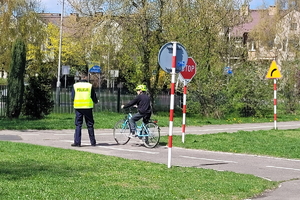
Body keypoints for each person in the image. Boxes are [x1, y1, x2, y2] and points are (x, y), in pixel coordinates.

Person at [71, 72, 98, 147]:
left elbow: (72, 97)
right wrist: (96, 101)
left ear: (81, 77)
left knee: (78, 124)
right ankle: (93, 142)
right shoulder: (89, 86)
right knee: (90, 124)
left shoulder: (75, 86)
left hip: (78, 107)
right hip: (88, 107)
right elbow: (93, 96)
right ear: (86, 77)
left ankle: (77, 142)